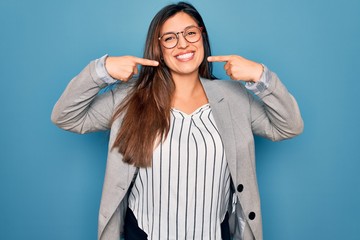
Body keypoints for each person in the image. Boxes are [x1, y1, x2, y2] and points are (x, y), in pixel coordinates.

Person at [51, 2, 303, 240]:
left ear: (202, 37)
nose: (183, 44)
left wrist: (261, 76)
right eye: (170, 38)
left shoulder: (234, 98)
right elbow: (66, 116)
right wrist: (101, 70)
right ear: (158, 48)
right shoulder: (131, 98)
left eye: (190, 33)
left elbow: (289, 126)